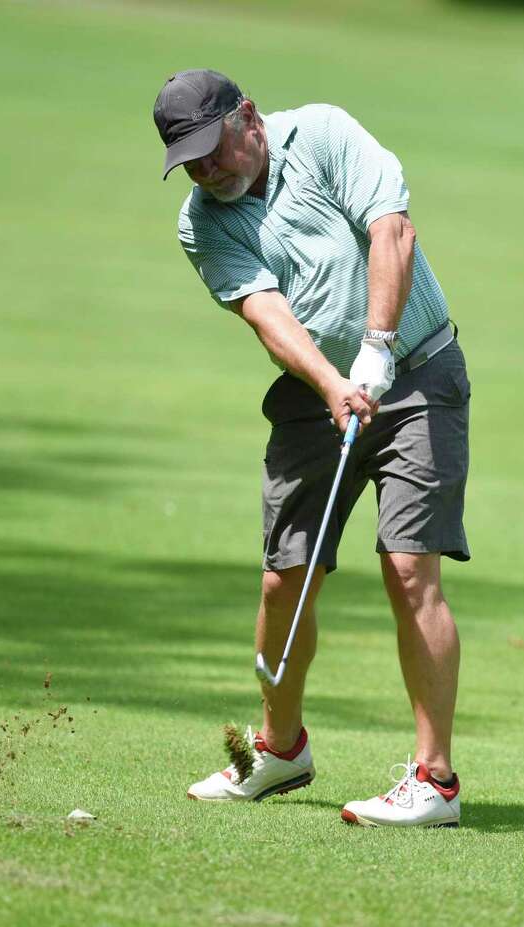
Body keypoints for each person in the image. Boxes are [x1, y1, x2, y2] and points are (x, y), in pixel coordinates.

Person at [152, 70, 469, 828]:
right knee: (282, 579)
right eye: (190, 161)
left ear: (248, 117)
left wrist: (378, 348)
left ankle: (434, 781)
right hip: (312, 395)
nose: (207, 171)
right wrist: (334, 382)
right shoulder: (202, 222)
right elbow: (267, 314)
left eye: (214, 149)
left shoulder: (323, 133)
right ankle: (281, 749)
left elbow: (391, 230)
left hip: (419, 374)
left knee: (407, 568)